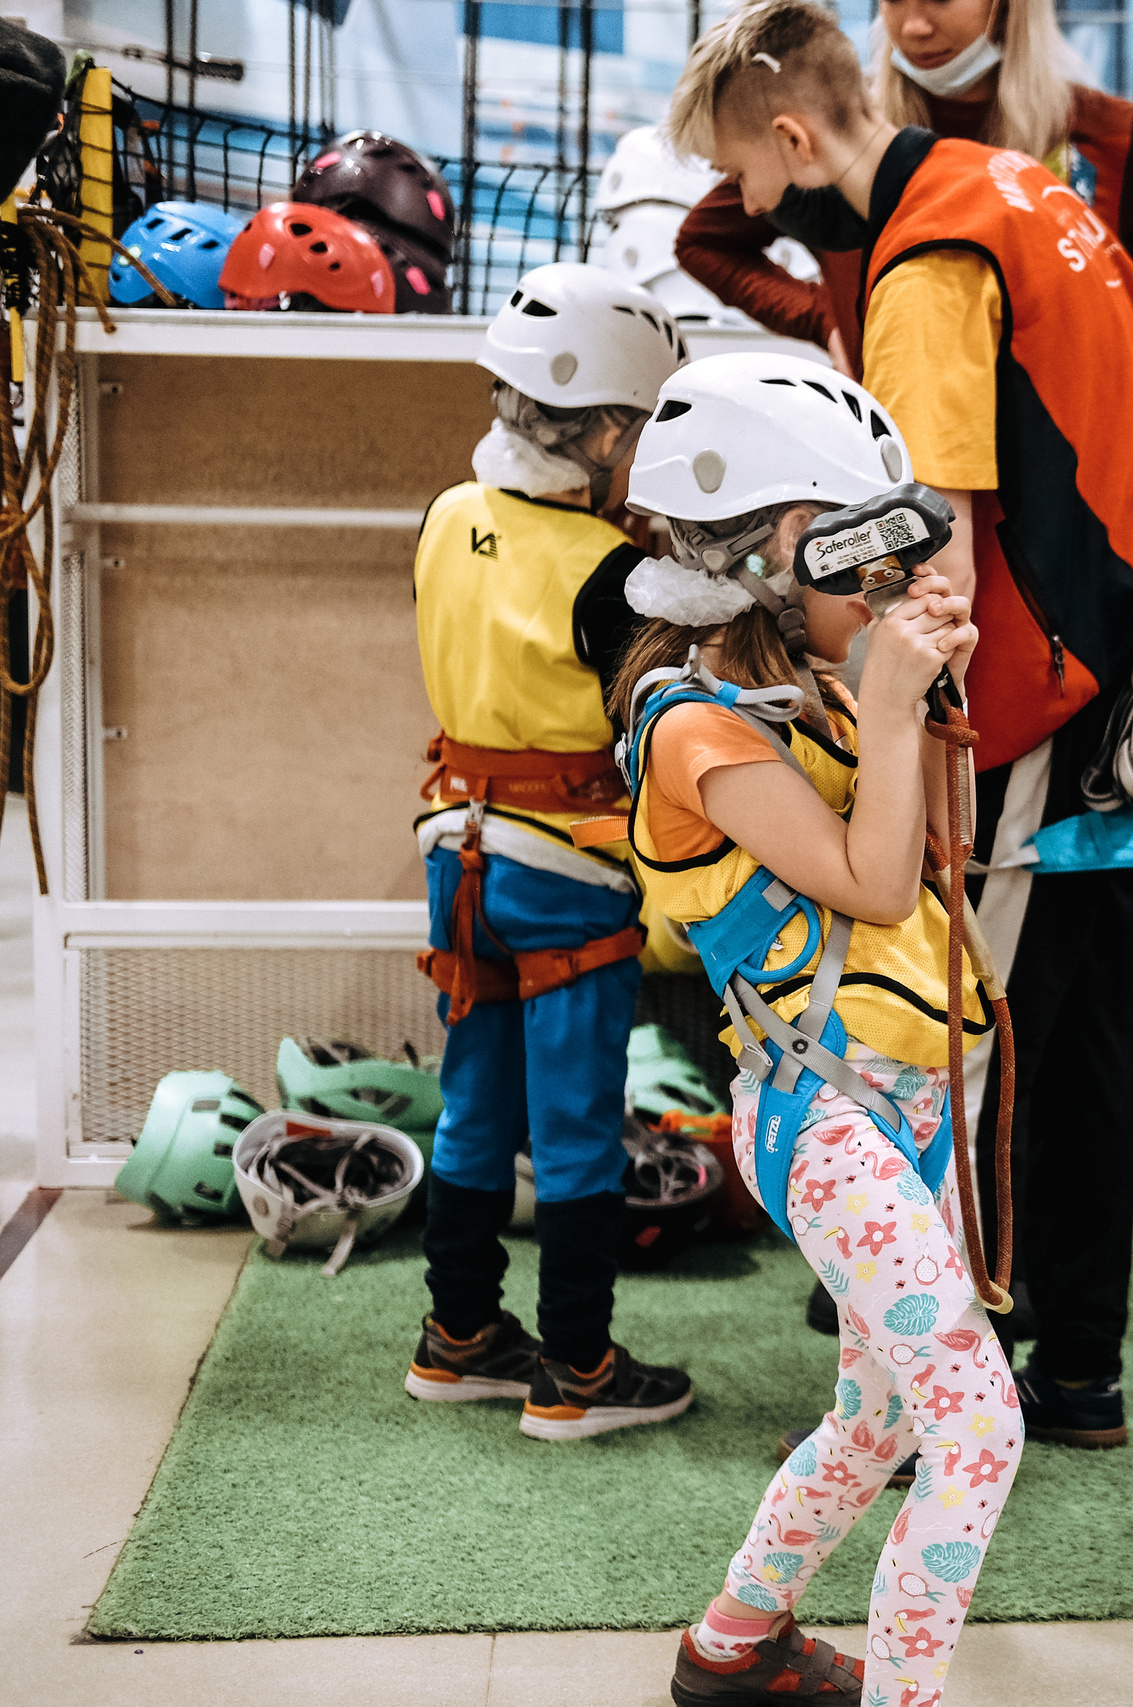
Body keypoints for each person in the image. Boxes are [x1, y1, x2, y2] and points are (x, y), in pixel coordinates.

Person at [666, 0, 1133, 1454]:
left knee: (968, 1020)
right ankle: (1080, 1369)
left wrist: (891, 707)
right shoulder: (1011, 182)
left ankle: (963, 1351)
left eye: (744, 173)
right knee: (1087, 1019)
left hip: (1048, 681)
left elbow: (928, 536)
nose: (747, 207)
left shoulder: (933, 257)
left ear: (795, 138)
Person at [605, 352, 1015, 1707]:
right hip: (822, 1108)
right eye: (842, 550)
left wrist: (923, 686)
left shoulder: (814, 679)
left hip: (914, 1094)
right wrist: (889, 701)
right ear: (750, 554)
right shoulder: (694, 728)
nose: (872, 580)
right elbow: (874, 880)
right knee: (976, 1419)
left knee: (880, 1411)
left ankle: (731, 1643)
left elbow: (941, 830)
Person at [403, 262, 695, 1441]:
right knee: (574, 1124)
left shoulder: (444, 514)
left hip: (452, 850)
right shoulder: (612, 575)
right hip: (568, 870)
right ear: (613, 428)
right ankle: (576, 1368)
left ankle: (458, 1336)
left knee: (473, 1105)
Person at [674, 0, 1133, 355]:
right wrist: (827, 320)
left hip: (1055, 479)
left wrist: (1127, 350)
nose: (914, 26)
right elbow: (704, 239)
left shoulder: (1103, 134)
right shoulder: (838, 135)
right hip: (902, 467)